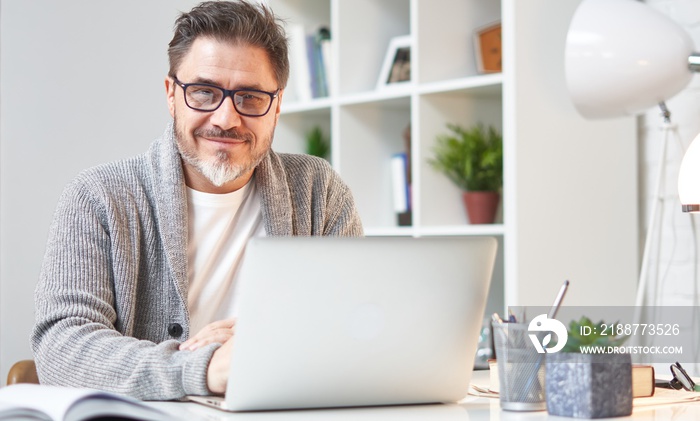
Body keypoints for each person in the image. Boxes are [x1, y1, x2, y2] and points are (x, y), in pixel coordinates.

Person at [31, 0, 363, 401]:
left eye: (251, 97)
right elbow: (61, 346)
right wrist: (205, 368)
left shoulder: (319, 192)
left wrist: (266, 338)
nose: (226, 118)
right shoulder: (99, 197)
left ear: (277, 104)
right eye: (204, 93)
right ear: (171, 94)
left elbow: (353, 325)